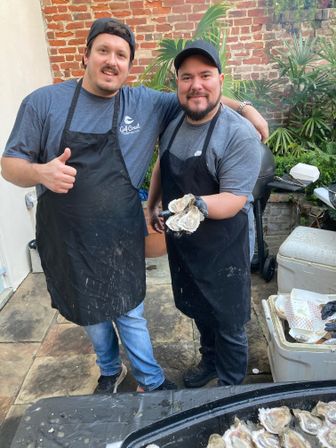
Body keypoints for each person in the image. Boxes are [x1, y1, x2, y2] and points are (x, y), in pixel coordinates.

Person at [1, 19, 267, 394]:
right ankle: (110, 370)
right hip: (66, 235)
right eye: (103, 51)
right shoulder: (43, 103)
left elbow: (199, 94)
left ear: (129, 65)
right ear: (85, 56)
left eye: (121, 55)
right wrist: (39, 172)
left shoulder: (144, 103)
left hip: (120, 232)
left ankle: (152, 380)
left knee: (129, 310)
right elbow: (9, 165)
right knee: (88, 311)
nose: (112, 61)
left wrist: (248, 108)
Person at [147, 40, 262, 388]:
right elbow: (161, 164)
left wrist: (195, 205)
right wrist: (153, 202)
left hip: (225, 245)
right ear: (177, 84)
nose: (196, 84)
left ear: (220, 80)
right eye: (186, 77)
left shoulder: (238, 134)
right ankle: (209, 361)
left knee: (228, 320)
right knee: (198, 307)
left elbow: (234, 199)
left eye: (205, 75)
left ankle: (230, 386)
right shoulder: (173, 123)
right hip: (186, 243)